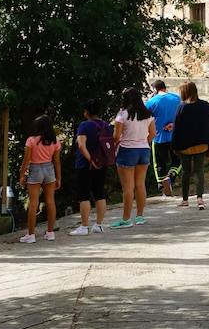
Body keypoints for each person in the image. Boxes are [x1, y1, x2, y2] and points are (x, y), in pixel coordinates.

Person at [171, 81, 209, 210]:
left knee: (186, 172)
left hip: (185, 146)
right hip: (201, 144)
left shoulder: (182, 107)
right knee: (199, 171)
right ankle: (200, 199)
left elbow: (177, 128)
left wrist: (174, 145)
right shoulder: (205, 105)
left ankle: (185, 200)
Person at [112, 87, 155, 229]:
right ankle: (140, 216)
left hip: (127, 150)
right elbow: (153, 133)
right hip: (143, 149)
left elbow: (116, 137)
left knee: (128, 187)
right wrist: (143, 142)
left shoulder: (122, 114)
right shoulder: (148, 114)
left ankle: (126, 219)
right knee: (140, 185)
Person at [17, 116, 61, 243]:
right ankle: (50, 232)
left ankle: (31, 235)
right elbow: (57, 161)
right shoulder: (55, 141)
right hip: (49, 169)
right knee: (50, 201)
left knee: (33, 203)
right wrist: (58, 177)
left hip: (35, 169)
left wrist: (22, 175)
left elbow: (26, 160)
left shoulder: (31, 140)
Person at [70, 101, 110, 236]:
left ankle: (84, 226)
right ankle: (99, 224)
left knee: (84, 195)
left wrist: (90, 160)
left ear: (86, 112)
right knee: (99, 193)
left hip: (85, 165)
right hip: (102, 163)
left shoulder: (84, 125)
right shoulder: (106, 125)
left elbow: (81, 145)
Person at [145, 79, 183, 196]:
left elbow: (144, 118)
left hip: (158, 138)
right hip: (175, 136)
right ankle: (171, 177)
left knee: (159, 163)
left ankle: (161, 186)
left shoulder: (151, 102)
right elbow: (183, 114)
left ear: (155, 90)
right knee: (178, 160)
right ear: (164, 87)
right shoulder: (177, 99)